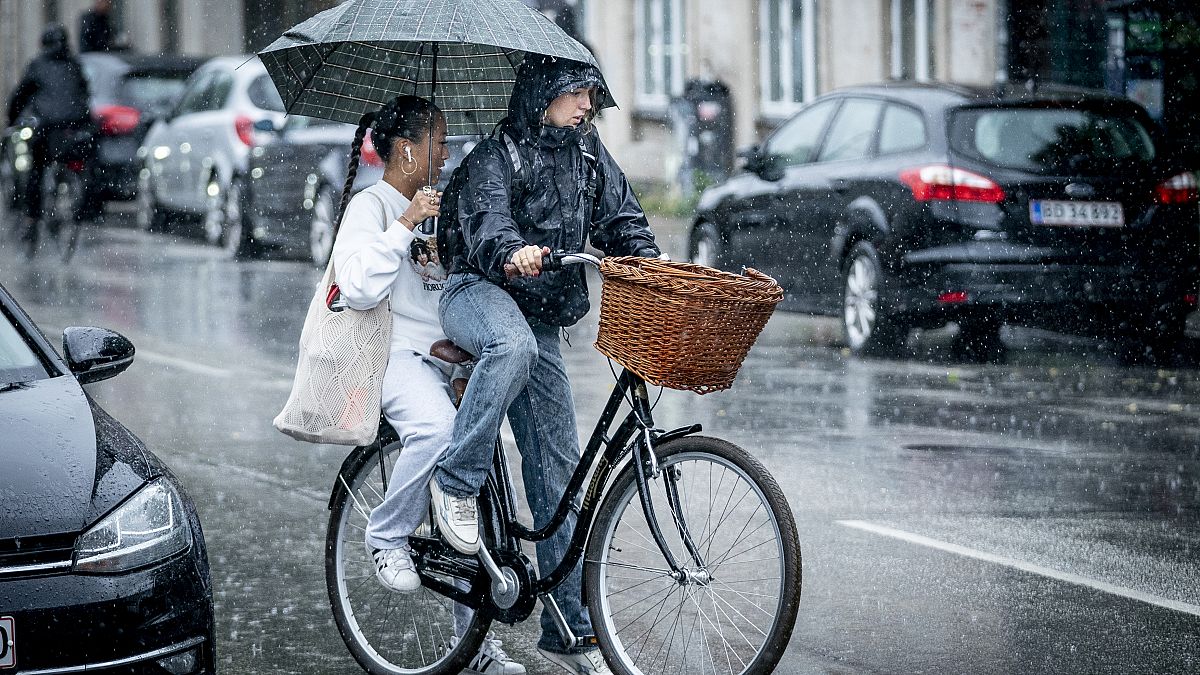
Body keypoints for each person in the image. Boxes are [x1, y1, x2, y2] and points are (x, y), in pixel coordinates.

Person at [432, 55, 661, 675]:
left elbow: (622, 219)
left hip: (538, 314)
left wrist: (650, 262)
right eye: (578, 92)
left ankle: (571, 634)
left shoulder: (587, 156)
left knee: (558, 474)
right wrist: (514, 252)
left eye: (591, 92)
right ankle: (453, 484)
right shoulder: (496, 156)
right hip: (477, 292)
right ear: (544, 95)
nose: (588, 104)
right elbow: (486, 226)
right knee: (514, 348)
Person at [329, 95, 525, 675]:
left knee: (478, 498)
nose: (447, 151)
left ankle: (475, 650)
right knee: (437, 429)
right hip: (390, 355)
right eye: (438, 139)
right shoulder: (372, 206)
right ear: (409, 147)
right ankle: (386, 535)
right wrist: (405, 225)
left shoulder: (441, 203)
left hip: (442, 356)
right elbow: (358, 286)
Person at [6, 23, 93, 243]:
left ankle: (32, 220)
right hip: (74, 129)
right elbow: (85, 93)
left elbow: (20, 95)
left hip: (47, 128)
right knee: (80, 165)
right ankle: (80, 207)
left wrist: (11, 118)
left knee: (36, 171)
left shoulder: (38, 65)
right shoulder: (74, 65)